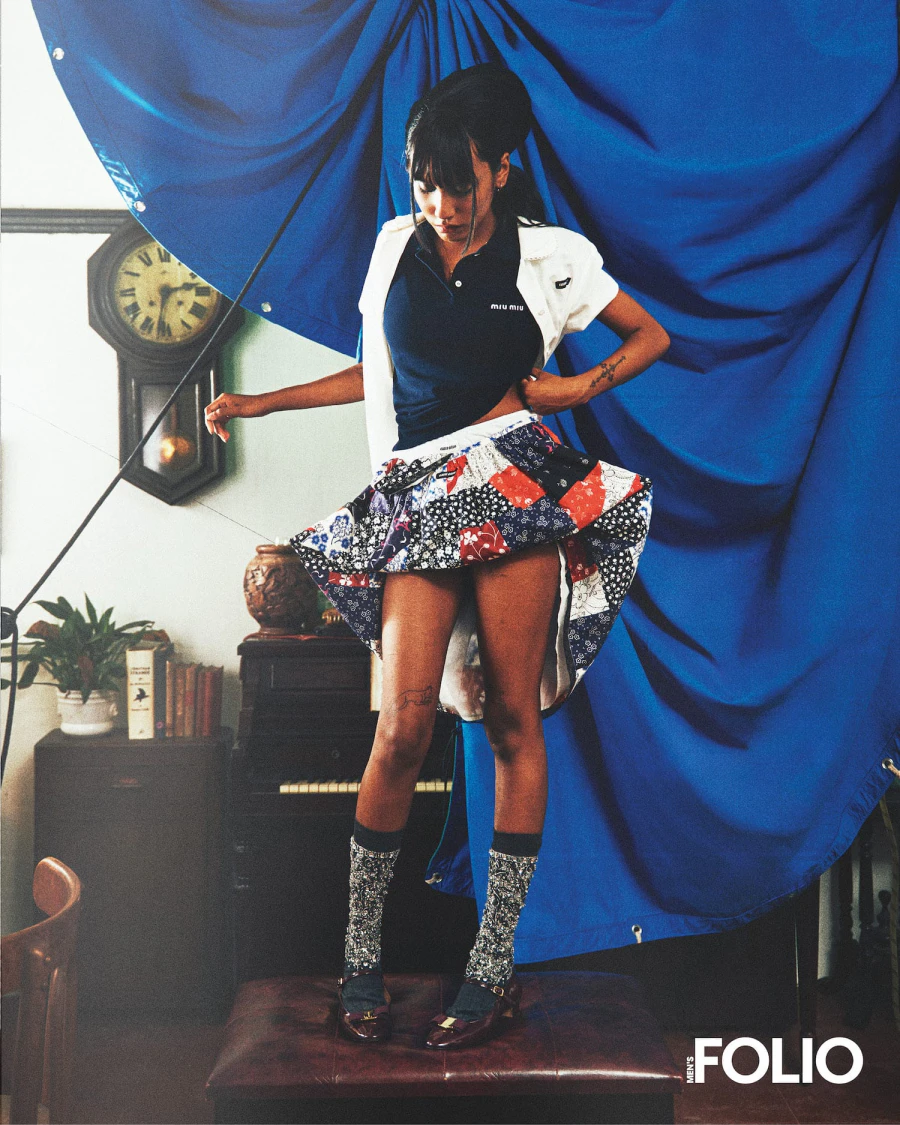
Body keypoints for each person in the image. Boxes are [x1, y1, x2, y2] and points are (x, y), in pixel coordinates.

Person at [205, 63, 670, 1050]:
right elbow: (375, 375)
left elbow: (649, 336)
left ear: (499, 170)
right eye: (426, 186)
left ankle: (491, 967)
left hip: (513, 483)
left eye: (459, 186)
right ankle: (359, 959)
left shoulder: (549, 257)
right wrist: (260, 403)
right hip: (416, 494)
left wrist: (575, 390)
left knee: (510, 721)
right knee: (403, 727)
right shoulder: (392, 248)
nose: (442, 206)